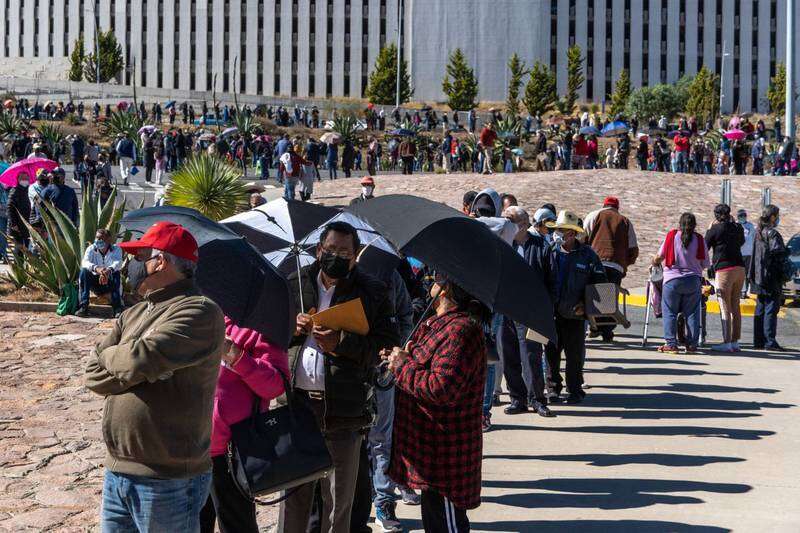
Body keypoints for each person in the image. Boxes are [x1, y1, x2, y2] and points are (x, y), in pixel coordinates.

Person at [85, 221, 226, 533]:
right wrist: (131, 365)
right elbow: (93, 375)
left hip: (168, 480)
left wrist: (115, 357)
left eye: (140, 258)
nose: (132, 266)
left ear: (160, 261)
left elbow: (137, 361)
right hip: (118, 473)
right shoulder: (134, 313)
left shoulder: (199, 312)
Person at [281, 222, 398, 533]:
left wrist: (341, 342)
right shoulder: (294, 282)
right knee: (293, 496)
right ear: (319, 251)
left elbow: (384, 349)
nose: (336, 256)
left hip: (344, 409)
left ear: (355, 255)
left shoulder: (372, 292)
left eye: (344, 252)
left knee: (338, 502)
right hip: (298, 404)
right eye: (330, 250)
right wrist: (290, 330)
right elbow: (268, 336)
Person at [384, 271, 487, 533]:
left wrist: (402, 366)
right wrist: (401, 356)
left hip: (446, 453)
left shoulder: (461, 330)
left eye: (439, 277)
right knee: (435, 521)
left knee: (447, 525)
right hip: (430, 451)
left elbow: (440, 388)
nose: (432, 279)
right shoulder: (438, 323)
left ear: (448, 289)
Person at [199, 320, 289, 533]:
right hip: (190, 448)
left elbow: (276, 385)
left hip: (231, 452)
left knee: (237, 526)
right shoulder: (199, 318)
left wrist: (236, 356)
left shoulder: (261, 328)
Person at [544, 211, 606, 403]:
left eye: (562, 230)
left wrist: (586, 306)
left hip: (575, 315)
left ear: (572, 233)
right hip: (552, 314)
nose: (558, 234)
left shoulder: (588, 255)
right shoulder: (549, 252)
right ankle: (553, 389)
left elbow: (600, 284)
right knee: (551, 356)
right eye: (557, 230)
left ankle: (575, 390)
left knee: (574, 356)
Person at [501, 206, 555, 418]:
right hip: (505, 309)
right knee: (509, 356)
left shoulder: (541, 246)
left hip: (532, 311)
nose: (504, 224)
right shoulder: (503, 245)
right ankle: (517, 399)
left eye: (509, 220)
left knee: (532, 357)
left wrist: (547, 309)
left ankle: (537, 399)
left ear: (522, 225)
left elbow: (552, 280)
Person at [583, 196, 639, 342]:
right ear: (617, 207)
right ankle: (607, 331)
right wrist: (625, 263)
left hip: (595, 263)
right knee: (609, 300)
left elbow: (582, 238)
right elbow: (633, 249)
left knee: (593, 296)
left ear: (604, 205)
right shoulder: (625, 221)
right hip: (616, 266)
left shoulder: (593, 215)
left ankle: (594, 327)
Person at [652, 213, 710, 354]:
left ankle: (671, 344)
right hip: (693, 281)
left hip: (672, 280)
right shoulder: (699, 239)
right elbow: (706, 263)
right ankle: (691, 345)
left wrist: (654, 261)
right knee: (692, 313)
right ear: (694, 225)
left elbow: (660, 256)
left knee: (670, 312)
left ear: (680, 223)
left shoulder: (672, 236)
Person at [705, 204, 746, 352]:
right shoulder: (738, 228)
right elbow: (741, 242)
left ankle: (726, 342)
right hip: (740, 269)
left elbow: (705, 246)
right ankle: (735, 341)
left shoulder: (716, 229)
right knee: (735, 305)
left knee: (724, 305)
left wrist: (710, 229)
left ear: (716, 215)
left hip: (724, 269)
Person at [749, 204, 788, 351]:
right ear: (772, 217)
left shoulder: (758, 232)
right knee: (771, 309)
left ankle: (758, 341)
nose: (778, 219)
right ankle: (770, 342)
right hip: (770, 277)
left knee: (760, 309)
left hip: (759, 277)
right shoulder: (772, 233)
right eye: (777, 216)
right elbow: (778, 254)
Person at [77, 229, 124, 317]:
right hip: (95, 282)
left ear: (108, 240)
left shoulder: (116, 249)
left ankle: (117, 308)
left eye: (101, 238)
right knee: (84, 272)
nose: (98, 241)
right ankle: (83, 306)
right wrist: (97, 268)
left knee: (116, 274)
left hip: (109, 282)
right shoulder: (91, 249)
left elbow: (118, 263)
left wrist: (108, 271)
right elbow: (85, 262)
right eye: (97, 238)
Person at [7, 173, 31, 258]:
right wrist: (13, 224)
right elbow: (9, 208)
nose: (25, 180)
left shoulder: (28, 190)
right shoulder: (14, 190)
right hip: (17, 225)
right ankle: (18, 268)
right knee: (19, 248)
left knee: (26, 247)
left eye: (26, 178)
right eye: (23, 178)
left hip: (26, 224)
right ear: (18, 179)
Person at [738, 209, 756, 297]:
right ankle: (741, 291)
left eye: (743, 216)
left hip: (749, 254)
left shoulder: (750, 226)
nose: (742, 217)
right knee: (741, 273)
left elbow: (754, 239)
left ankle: (745, 291)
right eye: (740, 216)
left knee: (748, 274)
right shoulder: (736, 226)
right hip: (739, 254)